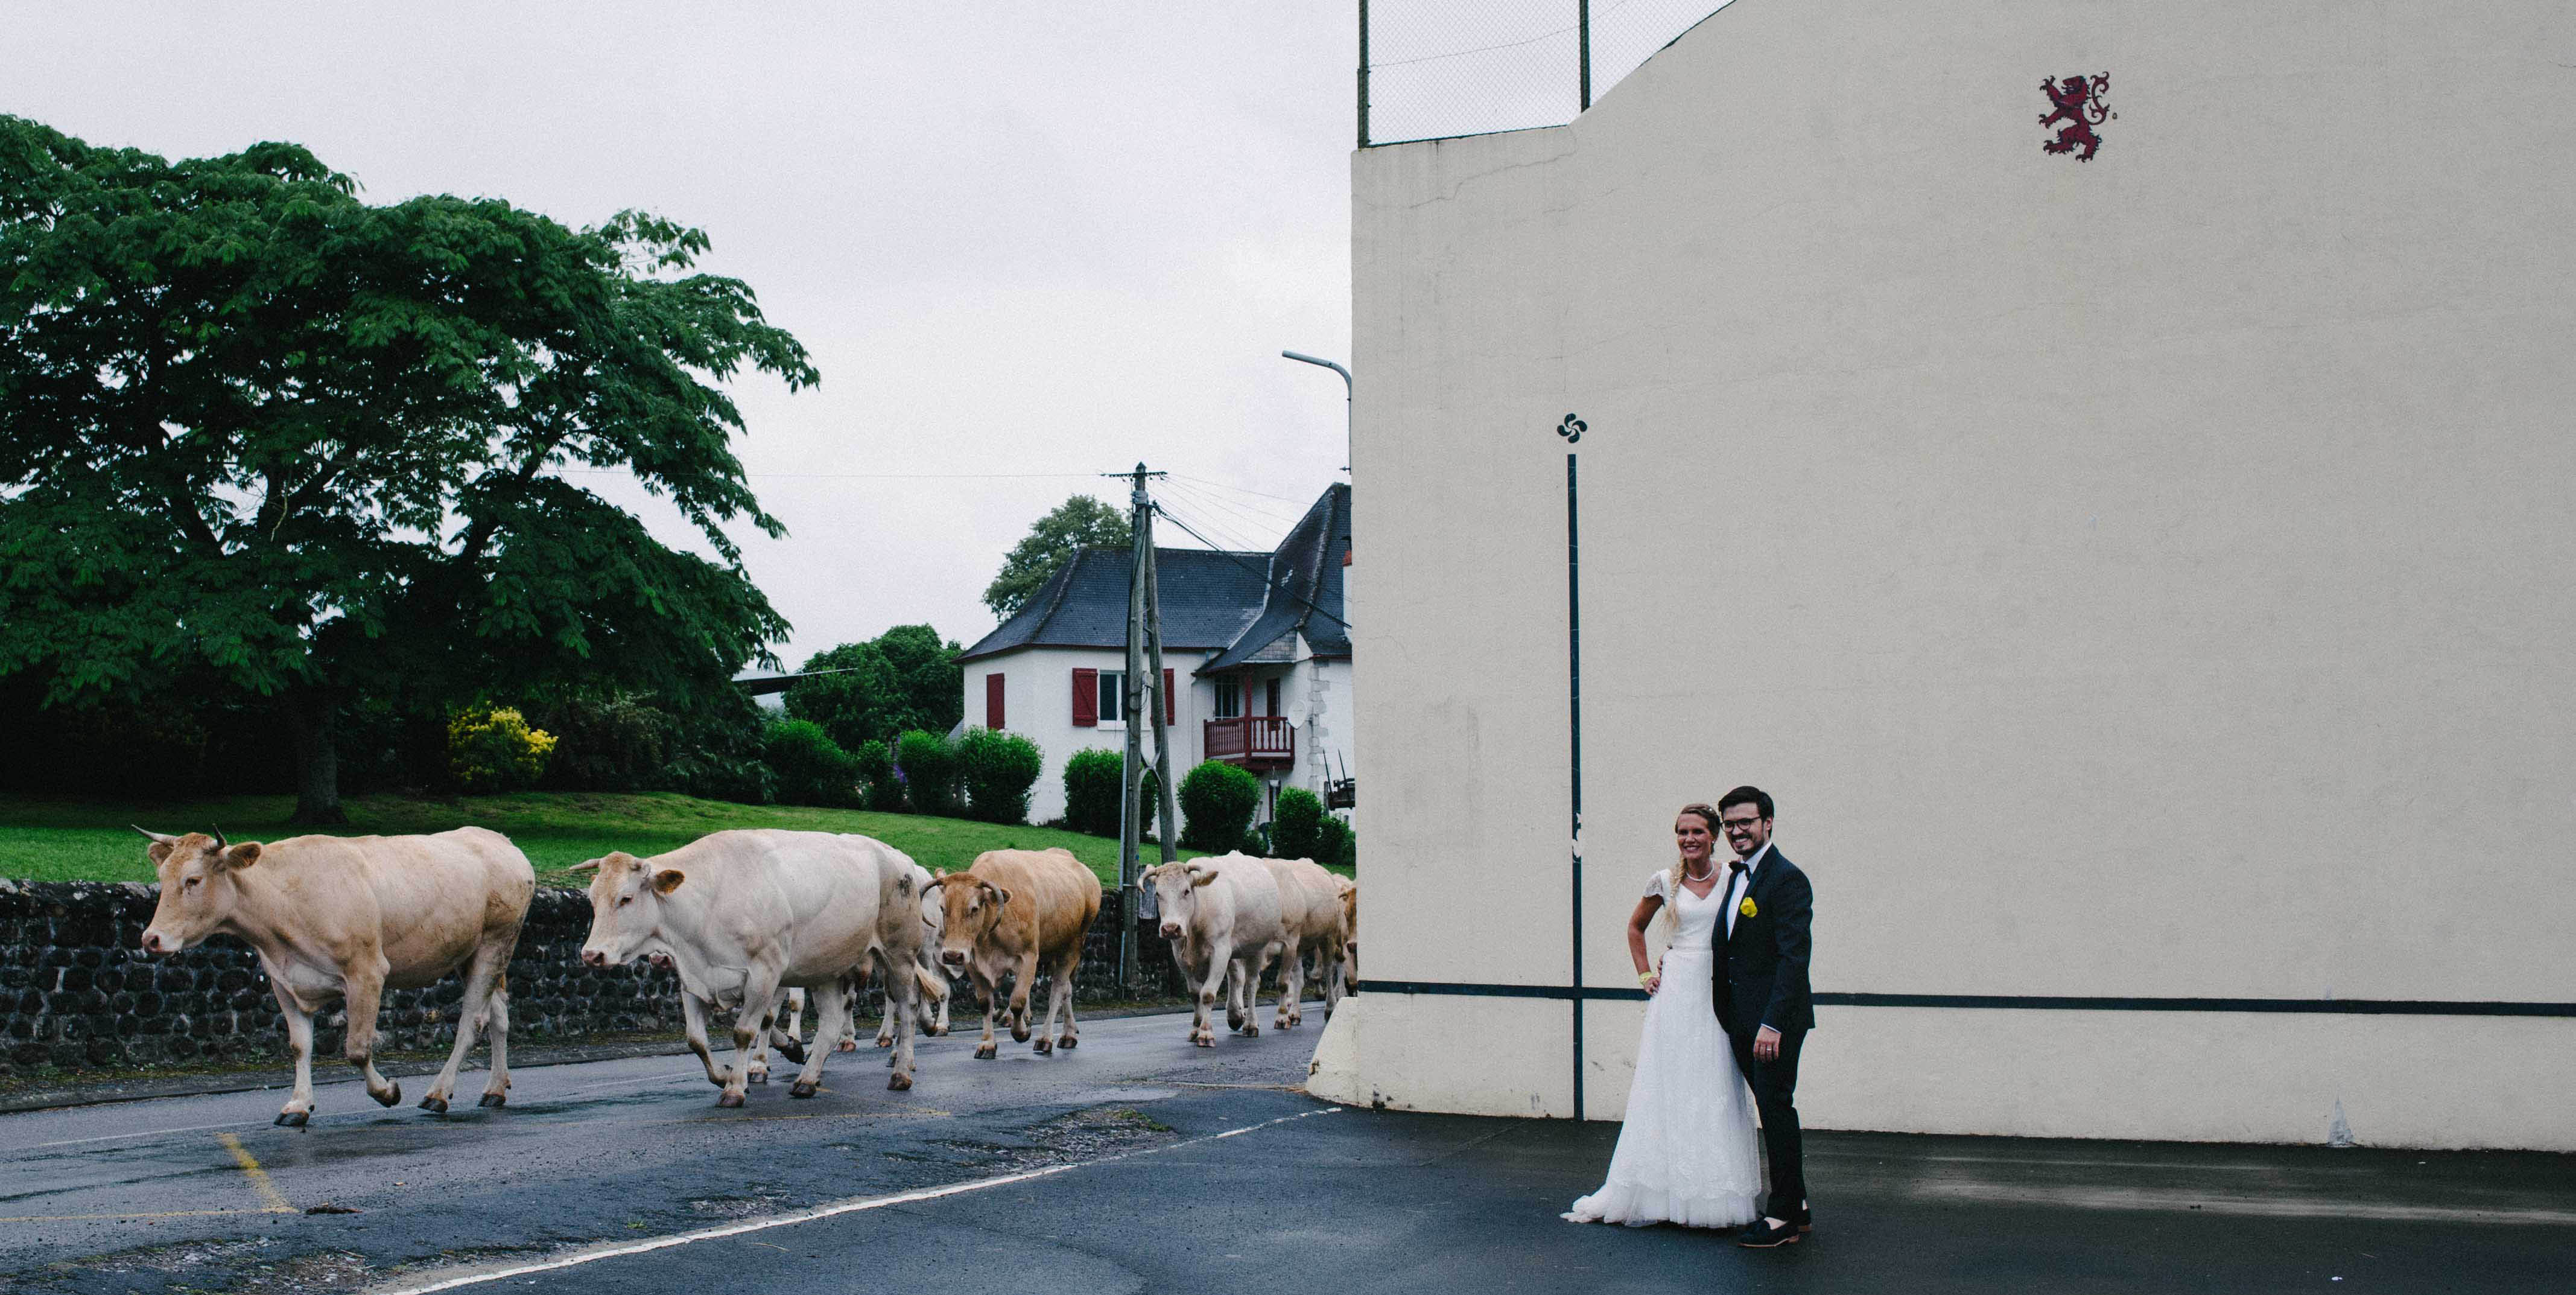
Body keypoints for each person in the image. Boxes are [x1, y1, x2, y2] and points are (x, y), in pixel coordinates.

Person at [1562, 804, 1762, 1229]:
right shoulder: (1665, 882)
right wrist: (1645, 974)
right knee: (1671, 1088)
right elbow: (1635, 927)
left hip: (1719, 991)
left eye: (1698, 832)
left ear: (1714, 836)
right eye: (1681, 832)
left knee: (1715, 1086)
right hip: (1677, 993)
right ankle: (1662, 1196)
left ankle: (1713, 1196)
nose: (1689, 839)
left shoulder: (1734, 876)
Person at [1710, 784, 1815, 1248]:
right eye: (1730, 824)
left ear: (1768, 822)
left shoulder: (1786, 878)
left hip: (1774, 1023)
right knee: (1772, 1110)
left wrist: (1772, 1023)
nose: (1737, 831)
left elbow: (1794, 958)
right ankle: (1798, 1204)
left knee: (1776, 1109)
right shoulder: (1739, 876)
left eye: (1746, 822)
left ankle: (1782, 1220)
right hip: (1742, 1019)